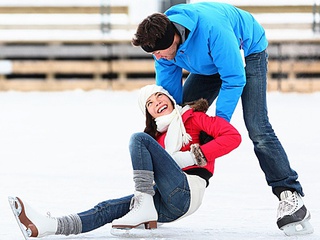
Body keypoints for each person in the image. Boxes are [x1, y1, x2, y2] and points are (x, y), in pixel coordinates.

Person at [131, 1, 313, 236]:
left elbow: (234, 78)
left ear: (174, 39)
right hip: (210, 62)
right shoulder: (161, 41)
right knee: (181, 117)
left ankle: (290, 194)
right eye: (153, 53)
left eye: (159, 52)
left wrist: (220, 124)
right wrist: (172, 121)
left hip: (247, 51)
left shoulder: (212, 29)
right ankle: (170, 186)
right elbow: (171, 102)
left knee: (258, 127)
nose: (157, 57)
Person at [9, 84, 241, 238]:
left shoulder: (193, 118)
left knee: (138, 139)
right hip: (169, 206)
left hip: (189, 190)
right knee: (107, 208)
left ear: (169, 98)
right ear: (149, 114)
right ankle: (51, 226)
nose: (157, 101)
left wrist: (193, 156)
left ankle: (143, 204)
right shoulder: (156, 140)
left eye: (159, 95)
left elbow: (233, 137)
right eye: (149, 103)